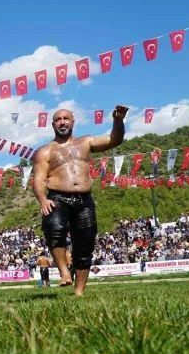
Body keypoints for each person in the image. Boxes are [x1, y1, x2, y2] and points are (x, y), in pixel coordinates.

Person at [32, 106, 128, 296]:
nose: (62, 122)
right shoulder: (45, 151)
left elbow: (114, 140)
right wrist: (43, 199)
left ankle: (79, 292)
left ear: (73, 122)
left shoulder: (86, 142)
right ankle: (64, 272)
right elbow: (38, 179)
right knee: (54, 229)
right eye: (58, 119)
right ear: (53, 125)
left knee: (85, 244)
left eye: (66, 118)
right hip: (57, 197)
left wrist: (118, 121)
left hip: (84, 199)